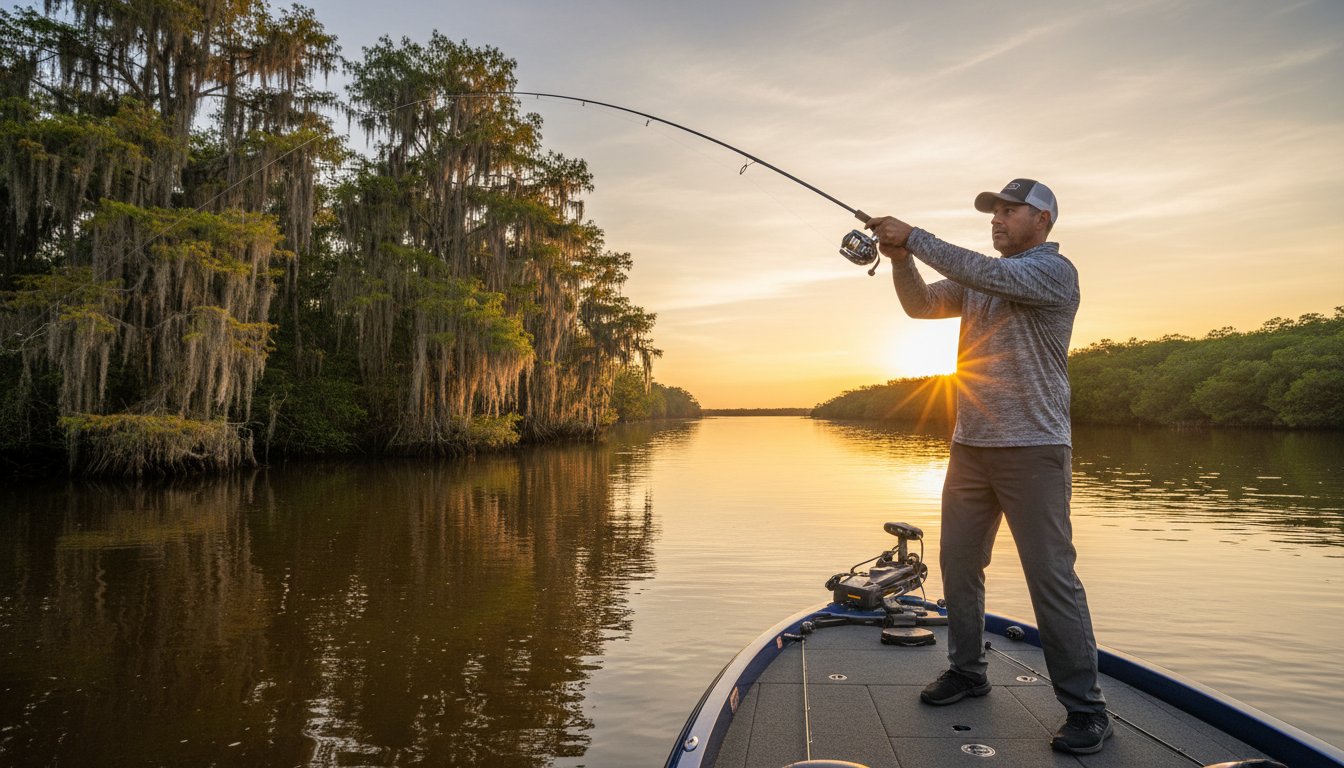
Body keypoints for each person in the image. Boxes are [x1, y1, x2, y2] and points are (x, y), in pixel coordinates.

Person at [865, 179, 1111, 755]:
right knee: (958, 563)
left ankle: (1086, 708)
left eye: (1009, 210)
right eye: (993, 211)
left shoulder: (1054, 272)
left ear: (1043, 219)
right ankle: (968, 672)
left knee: (1051, 577)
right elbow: (921, 305)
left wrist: (916, 236)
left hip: (1035, 448)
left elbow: (992, 275)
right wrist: (902, 260)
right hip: (971, 446)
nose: (997, 219)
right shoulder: (979, 282)